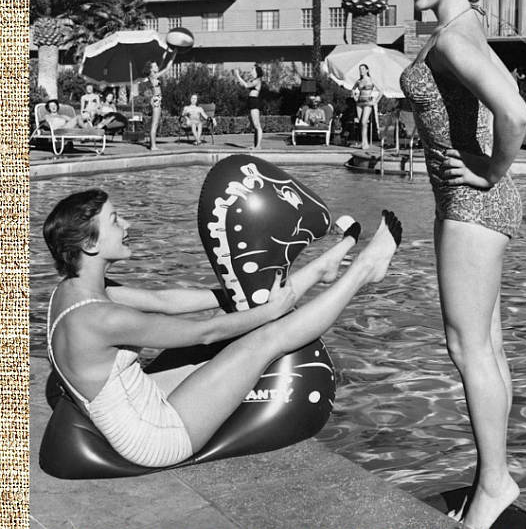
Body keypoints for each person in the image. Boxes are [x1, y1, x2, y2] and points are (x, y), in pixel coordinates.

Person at [42, 188, 402, 469]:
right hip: (156, 436)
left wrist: (235, 291)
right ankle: (365, 270)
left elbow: (165, 300)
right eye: (115, 221)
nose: (128, 226)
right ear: (89, 243)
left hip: (138, 402)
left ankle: (326, 267)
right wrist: (268, 312)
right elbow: (203, 335)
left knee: (240, 316)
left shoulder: (72, 291)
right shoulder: (102, 319)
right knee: (265, 338)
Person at [397, 0, 526, 529]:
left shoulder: (453, 37)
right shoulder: (465, 25)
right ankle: (495, 474)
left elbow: (516, 111)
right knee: (489, 347)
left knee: (466, 345)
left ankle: (495, 483)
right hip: (483, 206)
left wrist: (490, 171)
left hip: (473, 202)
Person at [142, 49, 177, 151]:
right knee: (155, 124)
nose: (157, 67)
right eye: (155, 66)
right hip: (156, 99)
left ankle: (153, 145)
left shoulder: (153, 75)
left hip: (157, 99)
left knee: (155, 123)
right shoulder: (153, 76)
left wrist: (167, 52)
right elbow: (167, 68)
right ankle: (153, 146)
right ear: (151, 69)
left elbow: (162, 64)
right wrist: (173, 56)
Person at [234, 64, 263, 150]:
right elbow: (245, 84)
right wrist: (238, 77)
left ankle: (258, 146)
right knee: (254, 125)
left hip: (254, 102)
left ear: (257, 71)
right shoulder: (253, 80)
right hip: (251, 102)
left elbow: (246, 85)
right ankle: (255, 145)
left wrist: (238, 75)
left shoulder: (258, 80)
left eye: (253, 69)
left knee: (257, 125)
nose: (251, 70)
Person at [352, 64, 380, 150]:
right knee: (361, 123)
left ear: (367, 70)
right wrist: (355, 97)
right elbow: (353, 89)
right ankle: (363, 142)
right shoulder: (359, 81)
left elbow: (381, 91)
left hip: (368, 102)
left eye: (363, 69)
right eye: (360, 69)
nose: (361, 71)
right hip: (359, 102)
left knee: (364, 122)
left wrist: (375, 101)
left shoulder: (371, 80)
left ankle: (366, 143)